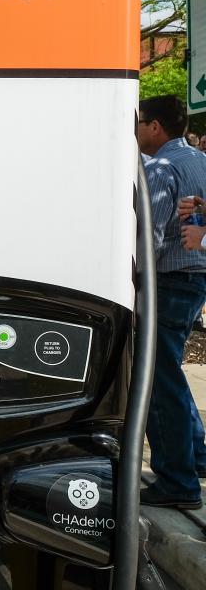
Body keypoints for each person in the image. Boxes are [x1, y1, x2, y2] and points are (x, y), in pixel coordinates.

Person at [136, 95, 206, 509]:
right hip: (195, 279)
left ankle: (177, 483)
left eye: (140, 122)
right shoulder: (198, 159)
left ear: (156, 127)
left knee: (161, 382)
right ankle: (195, 458)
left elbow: (153, 239)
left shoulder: (161, 168)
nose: (136, 130)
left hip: (169, 283)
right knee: (172, 372)